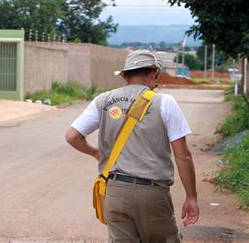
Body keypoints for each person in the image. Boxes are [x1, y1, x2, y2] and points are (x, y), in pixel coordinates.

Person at [65, 50, 199, 242]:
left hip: (115, 192)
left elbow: (72, 136)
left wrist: (95, 152)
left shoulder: (103, 100)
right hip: (152, 194)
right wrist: (191, 197)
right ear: (154, 74)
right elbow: (183, 155)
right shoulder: (164, 102)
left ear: (125, 76)